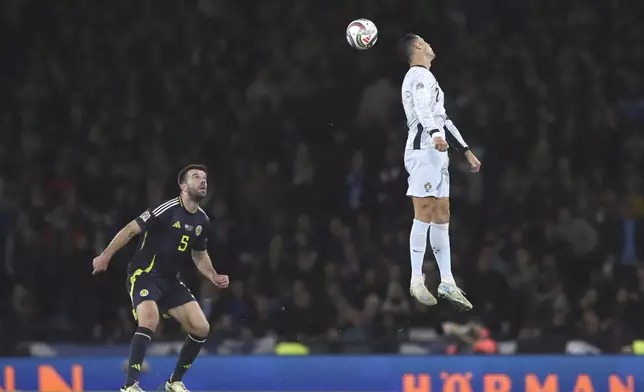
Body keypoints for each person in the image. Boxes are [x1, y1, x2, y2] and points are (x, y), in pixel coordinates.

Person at [92, 164, 229, 392]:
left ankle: (173, 382)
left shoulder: (202, 221)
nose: (203, 181)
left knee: (201, 327)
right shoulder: (166, 209)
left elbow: (199, 253)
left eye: (205, 177)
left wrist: (212, 275)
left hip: (170, 281)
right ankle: (129, 385)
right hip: (144, 274)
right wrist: (105, 256)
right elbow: (129, 229)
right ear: (183, 186)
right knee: (149, 320)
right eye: (196, 177)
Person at [397, 34, 481, 310]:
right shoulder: (417, 75)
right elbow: (423, 110)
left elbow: (443, 119)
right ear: (418, 47)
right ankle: (416, 279)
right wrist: (434, 134)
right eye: (426, 41)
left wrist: (465, 150)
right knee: (425, 210)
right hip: (423, 150)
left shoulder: (430, 79)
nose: (431, 44)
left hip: (436, 152)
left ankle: (447, 280)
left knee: (442, 212)